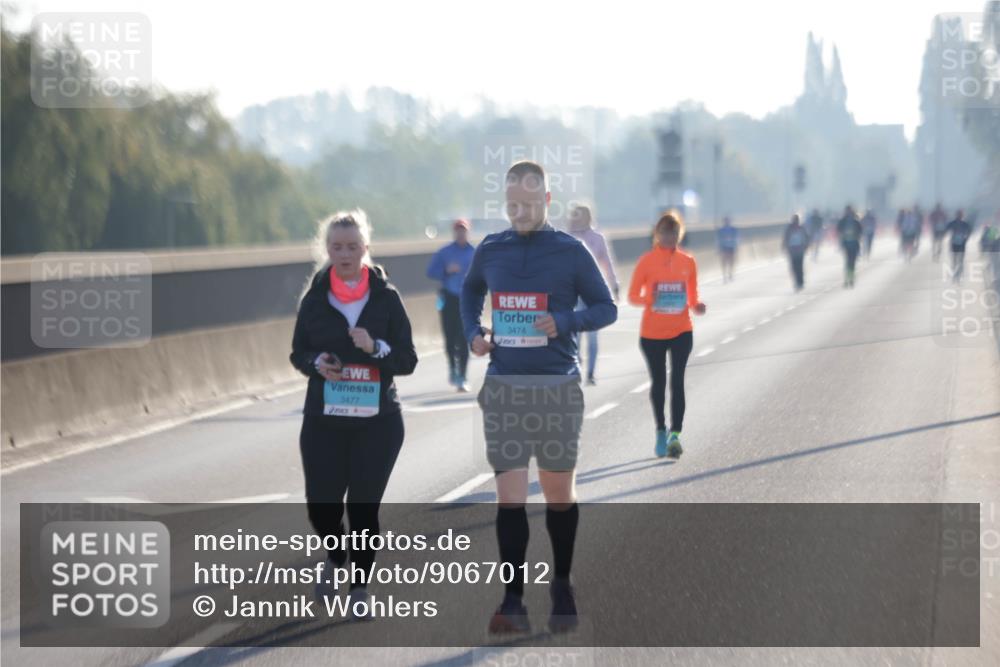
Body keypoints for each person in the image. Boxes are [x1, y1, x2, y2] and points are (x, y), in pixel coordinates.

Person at [462, 160, 617, 635]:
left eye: (529, 204)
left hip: (556, 387)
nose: (520, 212)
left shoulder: (570, 251)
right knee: (509, 499)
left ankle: (562, 585)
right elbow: (470, 292)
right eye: (512, 205)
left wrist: (565, 322)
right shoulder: (492, 248)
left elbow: (607, 307)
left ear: (547, 201)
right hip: (505, 387)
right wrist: (474, 334)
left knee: (557, 495)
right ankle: (513, 601)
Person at [290, 210, 418, 619]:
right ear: (327, 250)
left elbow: (408, 359)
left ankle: (360, 587)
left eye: (352, 247)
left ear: (365, 249)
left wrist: (375, 348)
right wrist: (316, 363)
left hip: (378, 423)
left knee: (363, 508)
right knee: (321, 507)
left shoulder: (386, 298)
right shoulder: (314, 300)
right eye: (336, 247)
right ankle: (336, 555)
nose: (344, 254)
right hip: (324, 421)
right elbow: (298, 353)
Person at [628, 211, 707, 459]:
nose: (669, 237)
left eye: (673, 232)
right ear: (656, 234)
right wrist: (649, 299)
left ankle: (675, 434)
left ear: (680, 234)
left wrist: (697, 305)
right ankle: (661, 430)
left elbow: (692, 295)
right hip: (652, 334)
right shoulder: (646, 261)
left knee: (678, 382)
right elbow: (632, 296)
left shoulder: (688, 261)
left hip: (682, 330)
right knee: (659, 383)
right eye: (664, 232)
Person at [568, 203, 620, 385]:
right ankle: (576, 366)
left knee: (592, 335)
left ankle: (590, 373)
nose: (578, 219)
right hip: (573, 293)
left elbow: (607, 263)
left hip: (592, 292)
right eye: (576, 215)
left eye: (582, 215)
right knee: (574, 334)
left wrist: (614, 285)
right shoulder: (568, 237)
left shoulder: (597, 238)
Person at [426, 218, 476, 392]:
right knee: (450, 338)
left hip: (467, 300)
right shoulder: (444, 252)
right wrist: (446, 270)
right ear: (454, 232)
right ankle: (453, 368)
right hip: (449, 299)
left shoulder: (474, 253)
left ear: (468, 232)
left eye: (464, 230)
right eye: (458, 230)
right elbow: (430, 272)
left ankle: (462, 376)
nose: (461, 233)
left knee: (464, 338)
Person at [837, 206, 863, 288]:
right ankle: (848, 279)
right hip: (848, 244)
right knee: (849, 262)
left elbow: (860, 230)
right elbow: (839, 229)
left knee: (851, 262)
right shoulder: (845, 221)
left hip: (852, 243)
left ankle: (850, 279)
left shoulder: (854, 221)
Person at [782, 213, 810, 291]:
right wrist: (784, 247)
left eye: (796, 220)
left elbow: (806, 238)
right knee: (794, 267)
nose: (795, 222)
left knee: (799, 267)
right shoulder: (789, 229)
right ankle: (797, 282)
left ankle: (800, 282)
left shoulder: (801, 228)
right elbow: (785, 238)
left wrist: (806, 246)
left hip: (800, 251)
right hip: (793, 251)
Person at [946, 209, 973, 284]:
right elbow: (946, 228)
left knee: (961, 261)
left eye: (960, 215)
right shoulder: (952, 223)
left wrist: (966, 238)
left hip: (962, 243)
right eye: (958, 215)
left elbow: (970, 230)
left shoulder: (965, 223)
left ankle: (959, 276)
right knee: (954, 260)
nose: (959, 216)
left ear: (962, 216)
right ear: (956, 215)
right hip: (954, 243)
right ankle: (955, 275)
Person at [716, 216, 739, 283]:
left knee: (731, 261)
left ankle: (730, 273)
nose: (726, 222)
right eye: (725, 221)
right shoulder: (720, 230)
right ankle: (724, 275)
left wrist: (736, 246)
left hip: (731, 247)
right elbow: (718, 240)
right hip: (724, 247)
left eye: (727, 220)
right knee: (724, 262)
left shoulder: (733, 229)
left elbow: (737, 238)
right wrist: (718, 248)